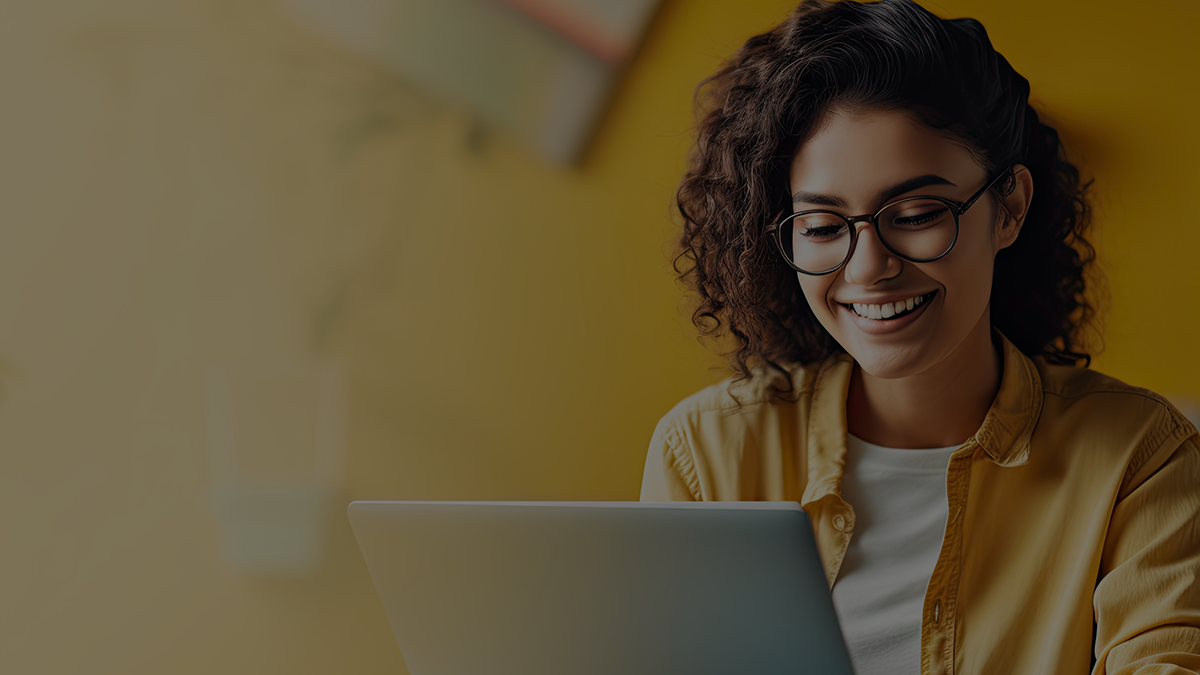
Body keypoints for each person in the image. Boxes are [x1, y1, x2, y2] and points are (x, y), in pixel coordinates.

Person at [638, 1, 1200, 674]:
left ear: (1010, 208)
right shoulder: (708, 455)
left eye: (915, 214)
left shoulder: (1142, 458)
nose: (868, 265)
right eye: (821, 225)